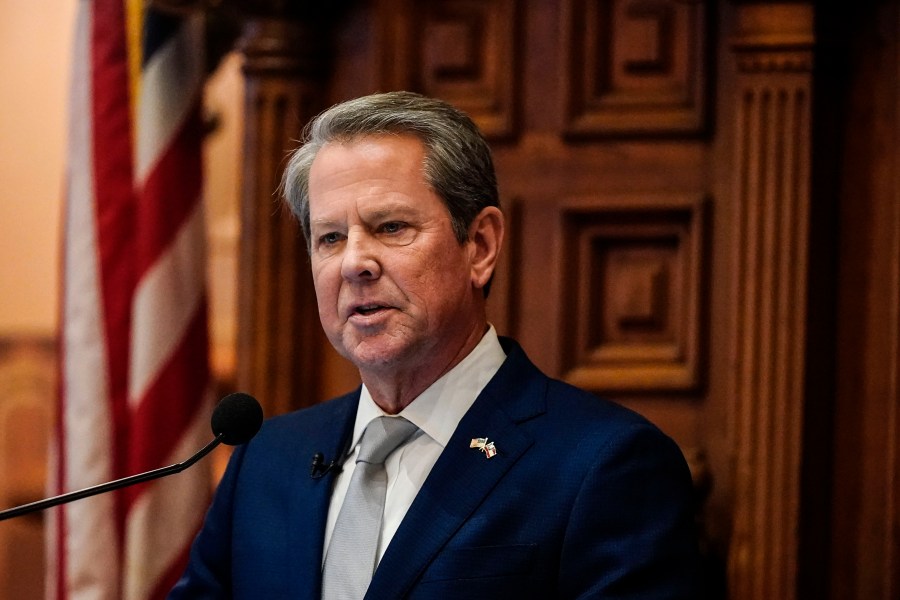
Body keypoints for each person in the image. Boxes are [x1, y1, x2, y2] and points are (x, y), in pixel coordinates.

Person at [170, 91, 699, 598]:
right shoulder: (265, 461)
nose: (355, 262)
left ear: (481, 246)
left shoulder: (603, 465)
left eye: (391, 226)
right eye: (330, 237)